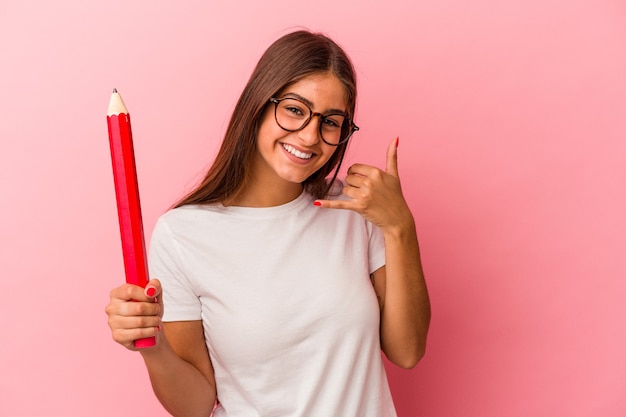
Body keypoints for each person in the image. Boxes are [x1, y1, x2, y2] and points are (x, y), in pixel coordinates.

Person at [105, 30, 431, 417]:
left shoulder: (355, 209)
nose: (310, 136)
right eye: (294, 109)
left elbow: (407, 351)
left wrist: (400, 226)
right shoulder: (182, 235)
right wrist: (152, 344)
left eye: (331, 121)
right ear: (258, 104)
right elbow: (194, 406)